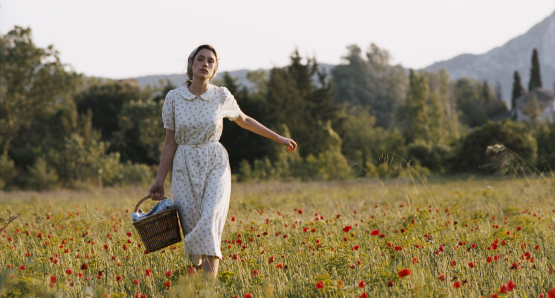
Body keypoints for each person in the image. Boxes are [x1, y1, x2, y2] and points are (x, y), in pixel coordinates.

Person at [148, 45, 297, 281]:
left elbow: (245, 120)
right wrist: (159, 181)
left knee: (210, 222)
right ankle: (198, 279)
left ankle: (210, 291)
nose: (205, 63)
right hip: (183, 166)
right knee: (192, 228)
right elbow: (169, 142)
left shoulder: (221, 95)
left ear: (215, 68)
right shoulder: (174, 98)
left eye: (210, 61)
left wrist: (278, 137)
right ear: (191, 64)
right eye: (200, 59)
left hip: (215, 162)